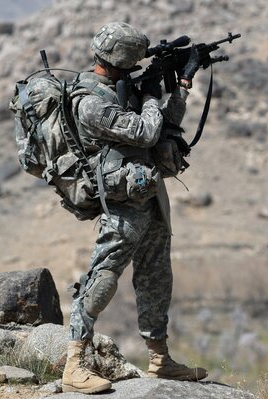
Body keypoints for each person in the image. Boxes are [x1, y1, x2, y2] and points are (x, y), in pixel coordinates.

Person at [61, 21, 207, 394]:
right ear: (119, 63)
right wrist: (151, 93)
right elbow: (145, 131)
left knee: (156, 276)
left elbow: (165, 128)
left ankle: (160, 360)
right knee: (103, 276)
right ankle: (74, 363)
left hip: (150, 194)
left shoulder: (124, 89)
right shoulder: (91, 102)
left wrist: (183, 82)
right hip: (122, 203)